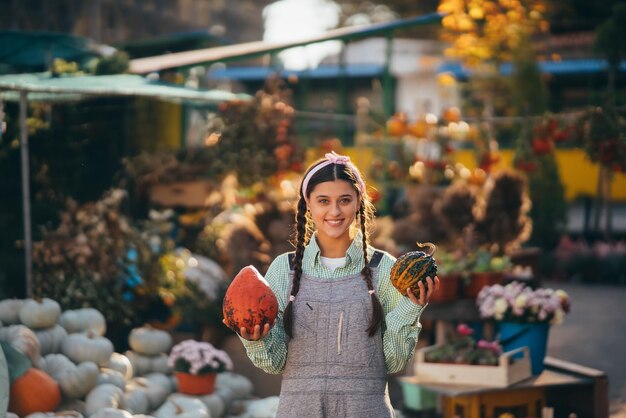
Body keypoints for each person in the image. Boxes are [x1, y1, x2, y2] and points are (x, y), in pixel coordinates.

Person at [232, 151, 440, 417]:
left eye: (344, 200)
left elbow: (394, 361)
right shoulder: (284, 270)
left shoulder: (384, 268)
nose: (334, 211)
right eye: (323, 201)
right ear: (308, 204)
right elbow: (274, 363)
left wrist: (411, 307)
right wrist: (256, 340)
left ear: (358, 203)